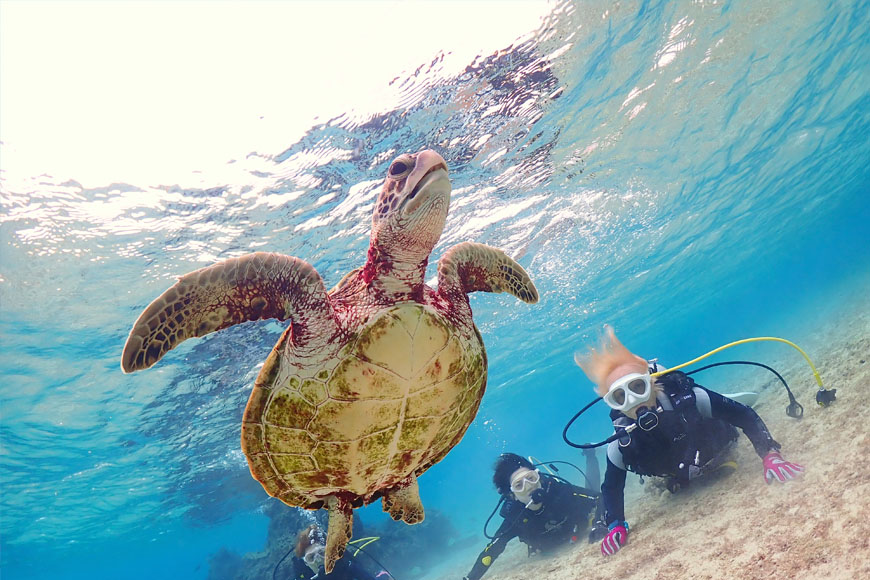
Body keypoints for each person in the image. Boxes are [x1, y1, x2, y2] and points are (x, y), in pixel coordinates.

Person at [575, 325, 805, 556]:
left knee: (722, 421)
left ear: (652, 382)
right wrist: (615, 524)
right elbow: (612, 487)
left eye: (638, 386)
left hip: (717, 442)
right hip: (678, 469)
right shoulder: (620, 444)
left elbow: (743, 415)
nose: (634, 400)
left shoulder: (691, 399)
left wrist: (769, 454)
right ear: (613, 404)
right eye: (620, 396)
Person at [462, 450, 605, 580]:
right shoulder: (515, 518)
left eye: (531, 478)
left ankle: (590, 454)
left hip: (579, 524)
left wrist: (599, 523)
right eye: (519, 485)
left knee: (593, 487)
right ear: (512, 496)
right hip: (549, 546)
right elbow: (492, 549)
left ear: (538, 476)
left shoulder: (558, 491)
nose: (529, 486)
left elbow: (600, 498)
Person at [289, 524, 393, 579]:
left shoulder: (345, 565)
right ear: (305, 563)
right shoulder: (303, 577)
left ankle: (382, 575)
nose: (319, 560)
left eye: (322, 552)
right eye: (311, 557)